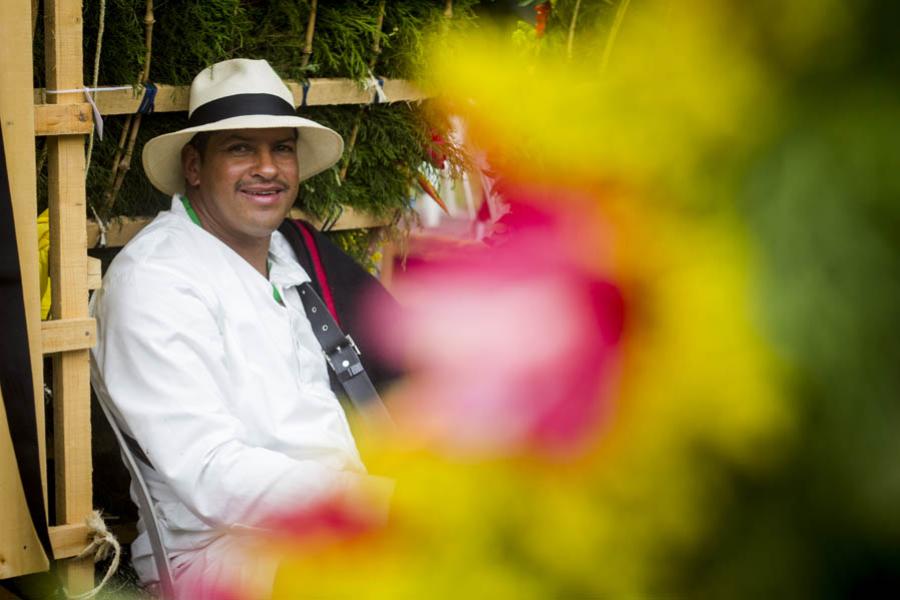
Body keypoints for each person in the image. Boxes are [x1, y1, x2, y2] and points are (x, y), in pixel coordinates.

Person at [90, 58, 395, 597]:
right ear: (193, 166)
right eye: (239, 149)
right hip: (224, 559)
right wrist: (375, 503)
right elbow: (211, 473)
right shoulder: (156, 280)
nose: (267, 168)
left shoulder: (287, 253)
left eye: (281, 147)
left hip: (334, 531)